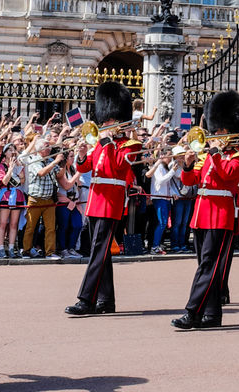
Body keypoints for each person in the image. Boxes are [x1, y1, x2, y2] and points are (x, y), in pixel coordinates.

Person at [172, 90, 239, 331]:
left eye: (220, 131)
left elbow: (230, 176)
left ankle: (192, 312)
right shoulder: (212, 154)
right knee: (206, 265)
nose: (216, 135)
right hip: (202, 213)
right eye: (215, 130)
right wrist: (187, 166)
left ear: (231, 129)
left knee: (208, 264)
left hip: (221, 214)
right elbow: (194, 180)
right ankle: (212, 314)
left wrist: (216, 153)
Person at [68, 81, 139, 316]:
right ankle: (106, 300)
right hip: (95, 201)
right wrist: (80, 155)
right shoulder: (100, 143)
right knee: (101, 251)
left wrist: (107, 142)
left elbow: (119, 168)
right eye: (105, 120)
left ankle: (86, 299)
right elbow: (89, 166)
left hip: (111, 203)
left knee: (98, 250)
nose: (105, 124)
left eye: (109, 121)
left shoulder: (130, 144)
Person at [20, 135, 63, 259]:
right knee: (31, 227)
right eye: (46, 147)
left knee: (51, 228)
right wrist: (55, 161)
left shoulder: (49, 161)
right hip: (35, 199)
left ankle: (50, 252)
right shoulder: (34, 160)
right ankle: (26, 250)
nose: (49, 149)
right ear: (39, 150)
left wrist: (63, 162)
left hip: (49, 200)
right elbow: (41, 172)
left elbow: (59, 173)